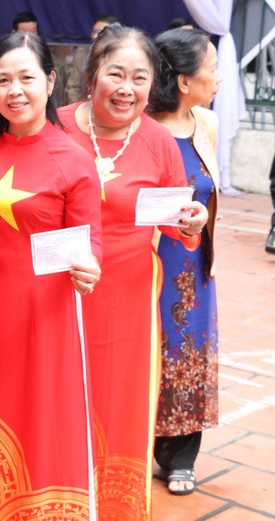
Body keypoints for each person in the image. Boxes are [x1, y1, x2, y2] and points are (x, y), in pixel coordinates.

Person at [0, 31, 103, 518]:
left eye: (26, 78)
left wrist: (89, 267)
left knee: (35, 418)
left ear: (50, 82)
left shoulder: (74, 159)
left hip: (41, 316)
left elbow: (90, 241)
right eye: (2, 80)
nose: (14, 90)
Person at [56, 24, 209, 519]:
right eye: (115, 74)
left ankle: (114, 505)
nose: (127, 88)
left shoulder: (159, 142)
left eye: (139, 78)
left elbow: (176, 224)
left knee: (118, 402)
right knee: (56, 396)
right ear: (91, 75)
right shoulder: (55, 126)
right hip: (57, 291)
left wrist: (192, 222)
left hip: (128, 299)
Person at [150, 28, 222, 496]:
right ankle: (142, 444)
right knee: (150, 349)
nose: (218, 78)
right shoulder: (143, 128)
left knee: (190, 351)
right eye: (211, 69)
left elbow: (209, 190)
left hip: (193, 262)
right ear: (183, 80)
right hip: (150, 259)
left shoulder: (207, 123)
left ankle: (181, 456)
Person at [65, 14, 121, 103]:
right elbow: (72, 87)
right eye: (94, 31)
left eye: (100, 32)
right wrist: (82, 107)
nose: (95, 36)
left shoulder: (123, 58)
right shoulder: (82, 55)